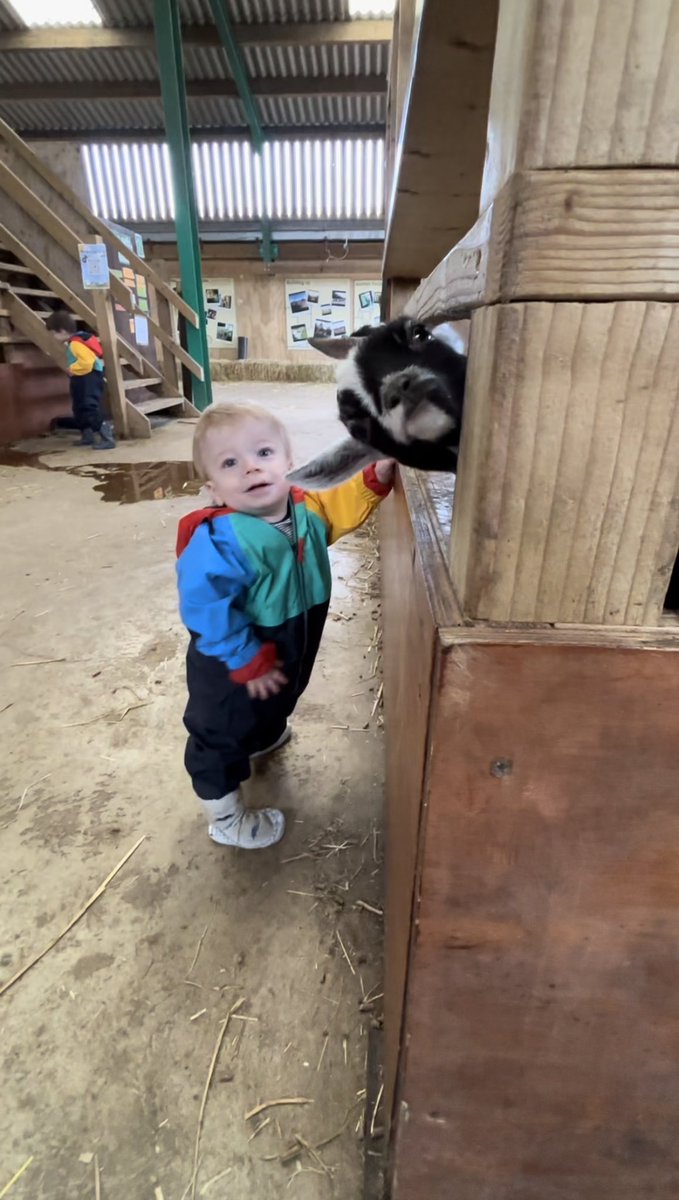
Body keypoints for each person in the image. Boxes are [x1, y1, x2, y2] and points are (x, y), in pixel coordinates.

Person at [176, 401, 395, 850]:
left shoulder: (304, 508)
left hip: (291, 635)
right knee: (221, 730)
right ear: (214, 489)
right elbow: (205, 605)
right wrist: (242, 657)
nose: (251, 468)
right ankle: (225, 816)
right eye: (231, 463)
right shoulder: (220, 540)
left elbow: (339, 505)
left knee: (280, 693)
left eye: (263, 453)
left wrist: (375, 478)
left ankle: (263, 733)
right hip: (233, 658)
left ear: (290, 463)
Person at [45, 310, 115, 449]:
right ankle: (87, 435)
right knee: (79, 407)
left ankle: (107, 437)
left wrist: (73, 369)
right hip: (82, 378)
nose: (53, 337)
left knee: (88, 406)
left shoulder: (76, 344)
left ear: (62, 331)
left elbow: (87, 363)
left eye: (54, 333)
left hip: (88, 377)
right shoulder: (75, 342)